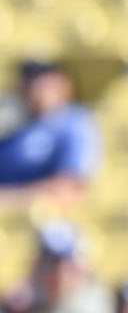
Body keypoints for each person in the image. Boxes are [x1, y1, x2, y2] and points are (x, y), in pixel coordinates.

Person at [0, 60, 100, 209]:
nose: (33, 88)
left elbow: (68, 188)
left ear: (62, 83)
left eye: (40, 80)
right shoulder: (12, 117)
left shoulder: (74, 122)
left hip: (38, 219)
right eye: (29, 79)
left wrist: (7, 200)